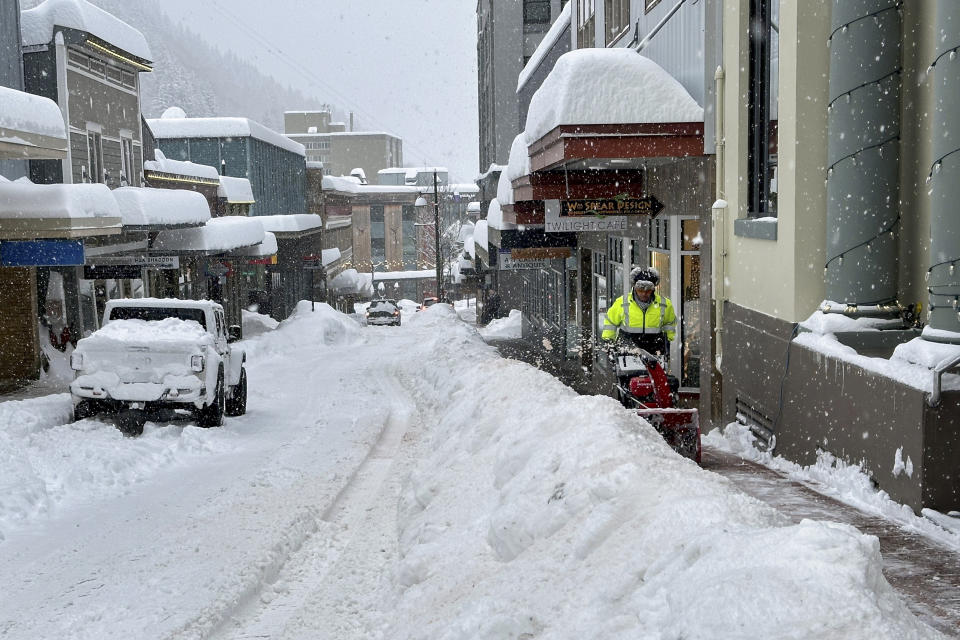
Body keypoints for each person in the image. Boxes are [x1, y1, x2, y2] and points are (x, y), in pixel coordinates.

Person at [601, 267, 677, 357]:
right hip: (627, 349)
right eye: (640, 290)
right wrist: (608, 340)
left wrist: (668, 340)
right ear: (635, 287)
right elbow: (611, 322)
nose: (644, 294)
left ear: (653, 290)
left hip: (655, 350)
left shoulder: (664, 304)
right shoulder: (622, 303)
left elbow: (670, 323)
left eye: (647, 291)